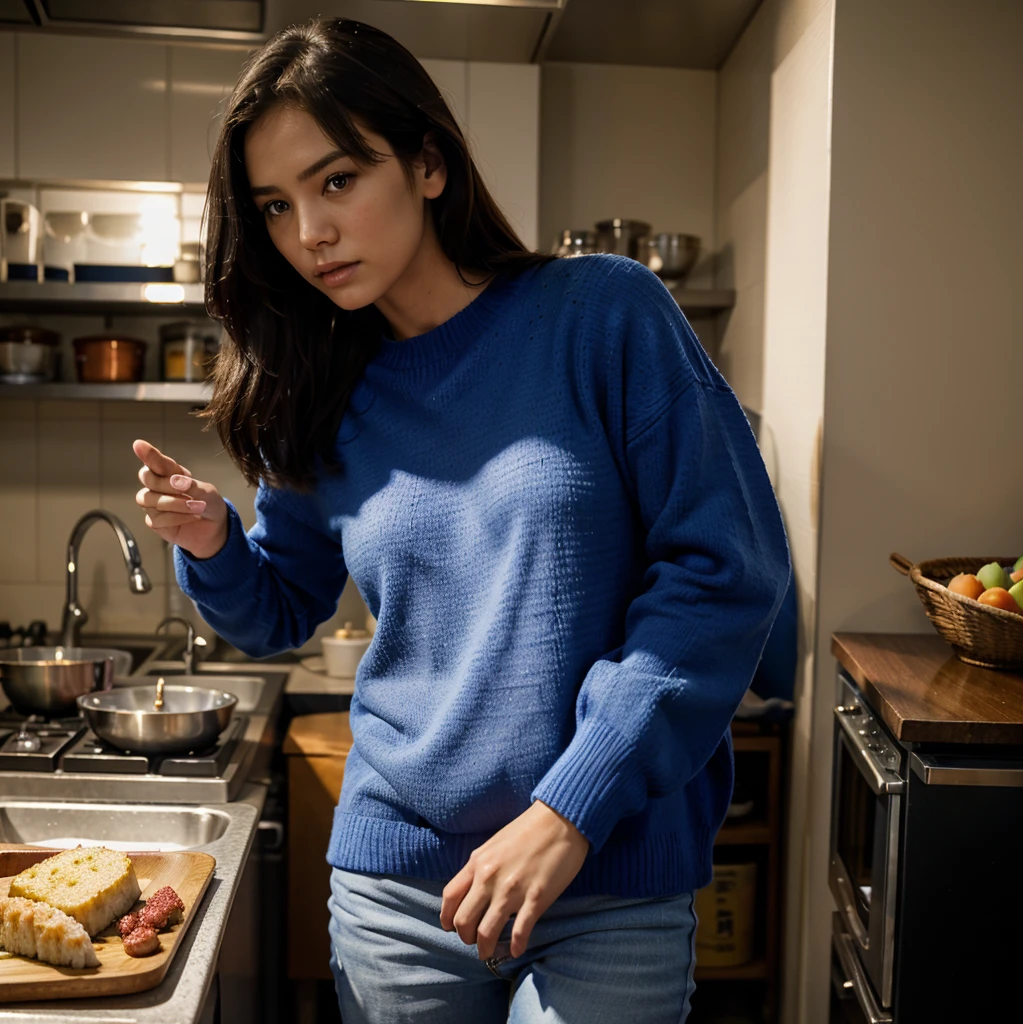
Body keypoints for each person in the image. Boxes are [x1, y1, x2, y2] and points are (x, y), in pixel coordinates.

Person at [133, 17, 790, 1024]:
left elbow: (723, 572)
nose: (308, 230)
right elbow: (281, 606)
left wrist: (571, 804)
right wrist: (215, 543)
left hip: (603, 875)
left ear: (428, 163)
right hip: (398, 893)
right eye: (275, 204)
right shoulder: (324, 386)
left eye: (336, 180)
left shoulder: (601, 314)